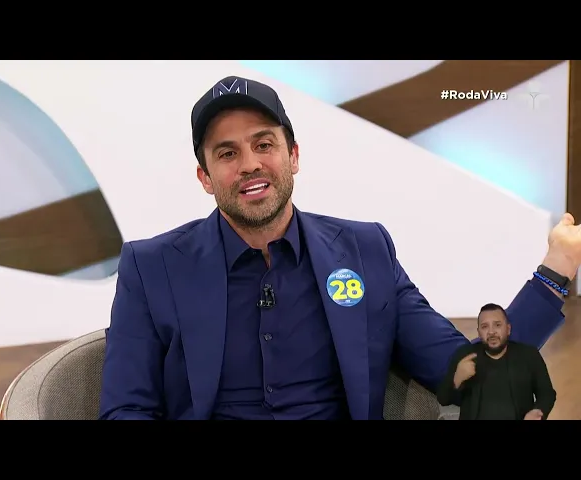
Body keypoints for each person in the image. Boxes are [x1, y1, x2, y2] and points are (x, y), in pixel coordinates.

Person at [99, 75, 581, 420]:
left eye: (264, 144)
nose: (249, 164)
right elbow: (126, 409)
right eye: (227, 153)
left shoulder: (365, 252)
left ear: (293, 155)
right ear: (205, 177)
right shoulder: (151, 267)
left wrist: (556, 267)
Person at [436, 303, 556, 420]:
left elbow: (547, 394)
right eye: (485, 327)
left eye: (497, 325)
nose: (491, 332)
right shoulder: (465, 355)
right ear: (479, 333)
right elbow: (443, 399)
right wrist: (457, 379)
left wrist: (537, 411)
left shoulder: (529, 355)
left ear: (508, 329)